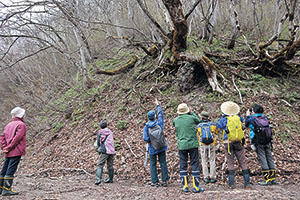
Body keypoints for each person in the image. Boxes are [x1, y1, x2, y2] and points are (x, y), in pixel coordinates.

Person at [216, 101, 250, 189]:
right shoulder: (238, 118)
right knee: (242, 161)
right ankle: (247, 183)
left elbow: (218, 125)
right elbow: (242, 122)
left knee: (230, 162)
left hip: (228, 142)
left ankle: (231, 184)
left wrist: (223, 117)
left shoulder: (223, 119)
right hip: (238, 141)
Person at [173, 103, 205, 193]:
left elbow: (175, 125)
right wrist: (192, 112)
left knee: (183, 165)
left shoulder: (175, 120)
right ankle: (196, 187)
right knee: (195, 164)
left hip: (182, 145)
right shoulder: (191, 118)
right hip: (192, 145)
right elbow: (199, 120)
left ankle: (185, 186)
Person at [245, 104, 276, 185]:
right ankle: (273, 179)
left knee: (263, 159)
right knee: (269, 158)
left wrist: (247, 115)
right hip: (268, 141)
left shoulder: (252, 118)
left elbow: (246, 124)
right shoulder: (265, 118)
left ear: (254, 111)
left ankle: (267, 180)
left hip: (258, 141)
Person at [0, 107, 27, 196]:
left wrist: (5, 148)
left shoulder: (8, 125)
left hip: (8, 151)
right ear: (21, 115)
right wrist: (9, 147)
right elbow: (17, 138)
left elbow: (2, 137)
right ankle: (7, 189)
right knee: (11, 169)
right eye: (23, 114)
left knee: (4, 169)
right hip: (15, 150)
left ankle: (1, 188)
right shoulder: (21, 125)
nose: (24, 116)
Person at [143, 98, 169, 187]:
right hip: (161, 146)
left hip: (152, 148)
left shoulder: (146, 127)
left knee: (153, 164)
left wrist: (152, 141)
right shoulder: (159, 123)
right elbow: (161, 114)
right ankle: (165, 181)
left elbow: (145, 139)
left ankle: (155, 182)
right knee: (163, 162)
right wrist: (158, 105)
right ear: (155, 116)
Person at [197, 111, 218, 184]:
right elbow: (216, 133)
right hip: (212, 143)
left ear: (202, 118)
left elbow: (198, 134)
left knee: (204, 160)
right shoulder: (212, 124)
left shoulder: (199, 126)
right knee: (212, 160)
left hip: (203, 144)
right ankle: (212, 177)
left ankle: (206, 177)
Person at [95, 121, 115, 185]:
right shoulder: (110, 132)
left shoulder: (100, 132)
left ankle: (98, 179)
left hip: (104, 150)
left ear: (100, 126)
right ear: (106, 125)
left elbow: (98, 142)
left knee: (100, 164)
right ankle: (110, 179)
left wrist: (98, 147)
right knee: (110, 165)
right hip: (111, 150)